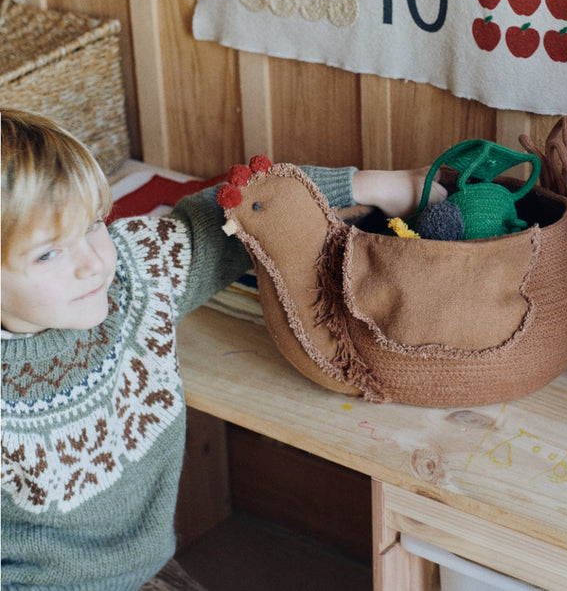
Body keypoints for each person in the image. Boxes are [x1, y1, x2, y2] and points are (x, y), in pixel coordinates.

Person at [0, 107, 446, 591]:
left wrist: (376, 186)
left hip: (143, 571)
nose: (92, 264)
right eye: (48, 253)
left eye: (92, 225)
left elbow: (240, 209)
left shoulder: (132, 274)